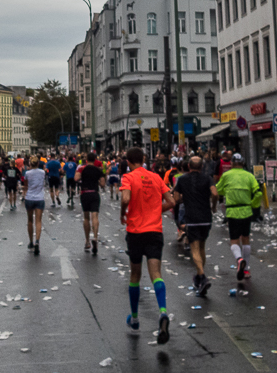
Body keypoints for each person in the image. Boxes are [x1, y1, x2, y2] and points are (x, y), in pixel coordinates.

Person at [119, 146, 176, 343]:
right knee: (156, 274)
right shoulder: (155, 177)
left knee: (135, 274)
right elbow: (172, 201)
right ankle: (162, 311)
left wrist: (123, 212)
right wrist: (155, 210)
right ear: (143, 159)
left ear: (128, 161)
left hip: (135, 232)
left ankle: (134, 319)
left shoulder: (128, 178)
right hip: (154, 231)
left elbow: (125, 197)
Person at [171, 155, 217, 296]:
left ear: (189, 167)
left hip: (192, 218)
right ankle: (199, 276)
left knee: (194, 248)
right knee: (202, 246)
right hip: (206, 218)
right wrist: (213, 206)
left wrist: (185, 198)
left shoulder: (182, 180)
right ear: (202, 166)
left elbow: (176, 198)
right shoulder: (207, 178)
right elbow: (215, 193)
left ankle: (202, 277)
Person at [216, 153, 262, 285]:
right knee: (246, 238)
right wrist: (253, 205)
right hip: (246, 211)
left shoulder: (227, 175)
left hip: (232, 211)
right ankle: (246, 269)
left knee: (234, 240)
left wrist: (228, 192)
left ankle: (239, 259)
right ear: (243, 163)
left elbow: (218, 190)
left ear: (231, 163)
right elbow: (258, 192)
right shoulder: (249, 175)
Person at [75, 152, 105, 254]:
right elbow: (102, 184)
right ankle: (95, 237)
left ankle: (87, 240)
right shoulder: (98, 170)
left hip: (85, 193)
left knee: (86, 217)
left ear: (87, 159)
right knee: (95, 217)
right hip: (94, 193)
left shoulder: (82, 168)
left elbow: (76, 178)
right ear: (95, 159)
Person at [22, 156, 47, 255]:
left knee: (30, 221)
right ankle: (37, 241)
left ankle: (31, 241)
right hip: (39, 198)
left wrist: (24, 194)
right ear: (38, 164)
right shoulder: (42, 172)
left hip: (29, 198)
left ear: (30, 164)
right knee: (38, 221)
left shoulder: (27, 173)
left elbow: (26, 186)